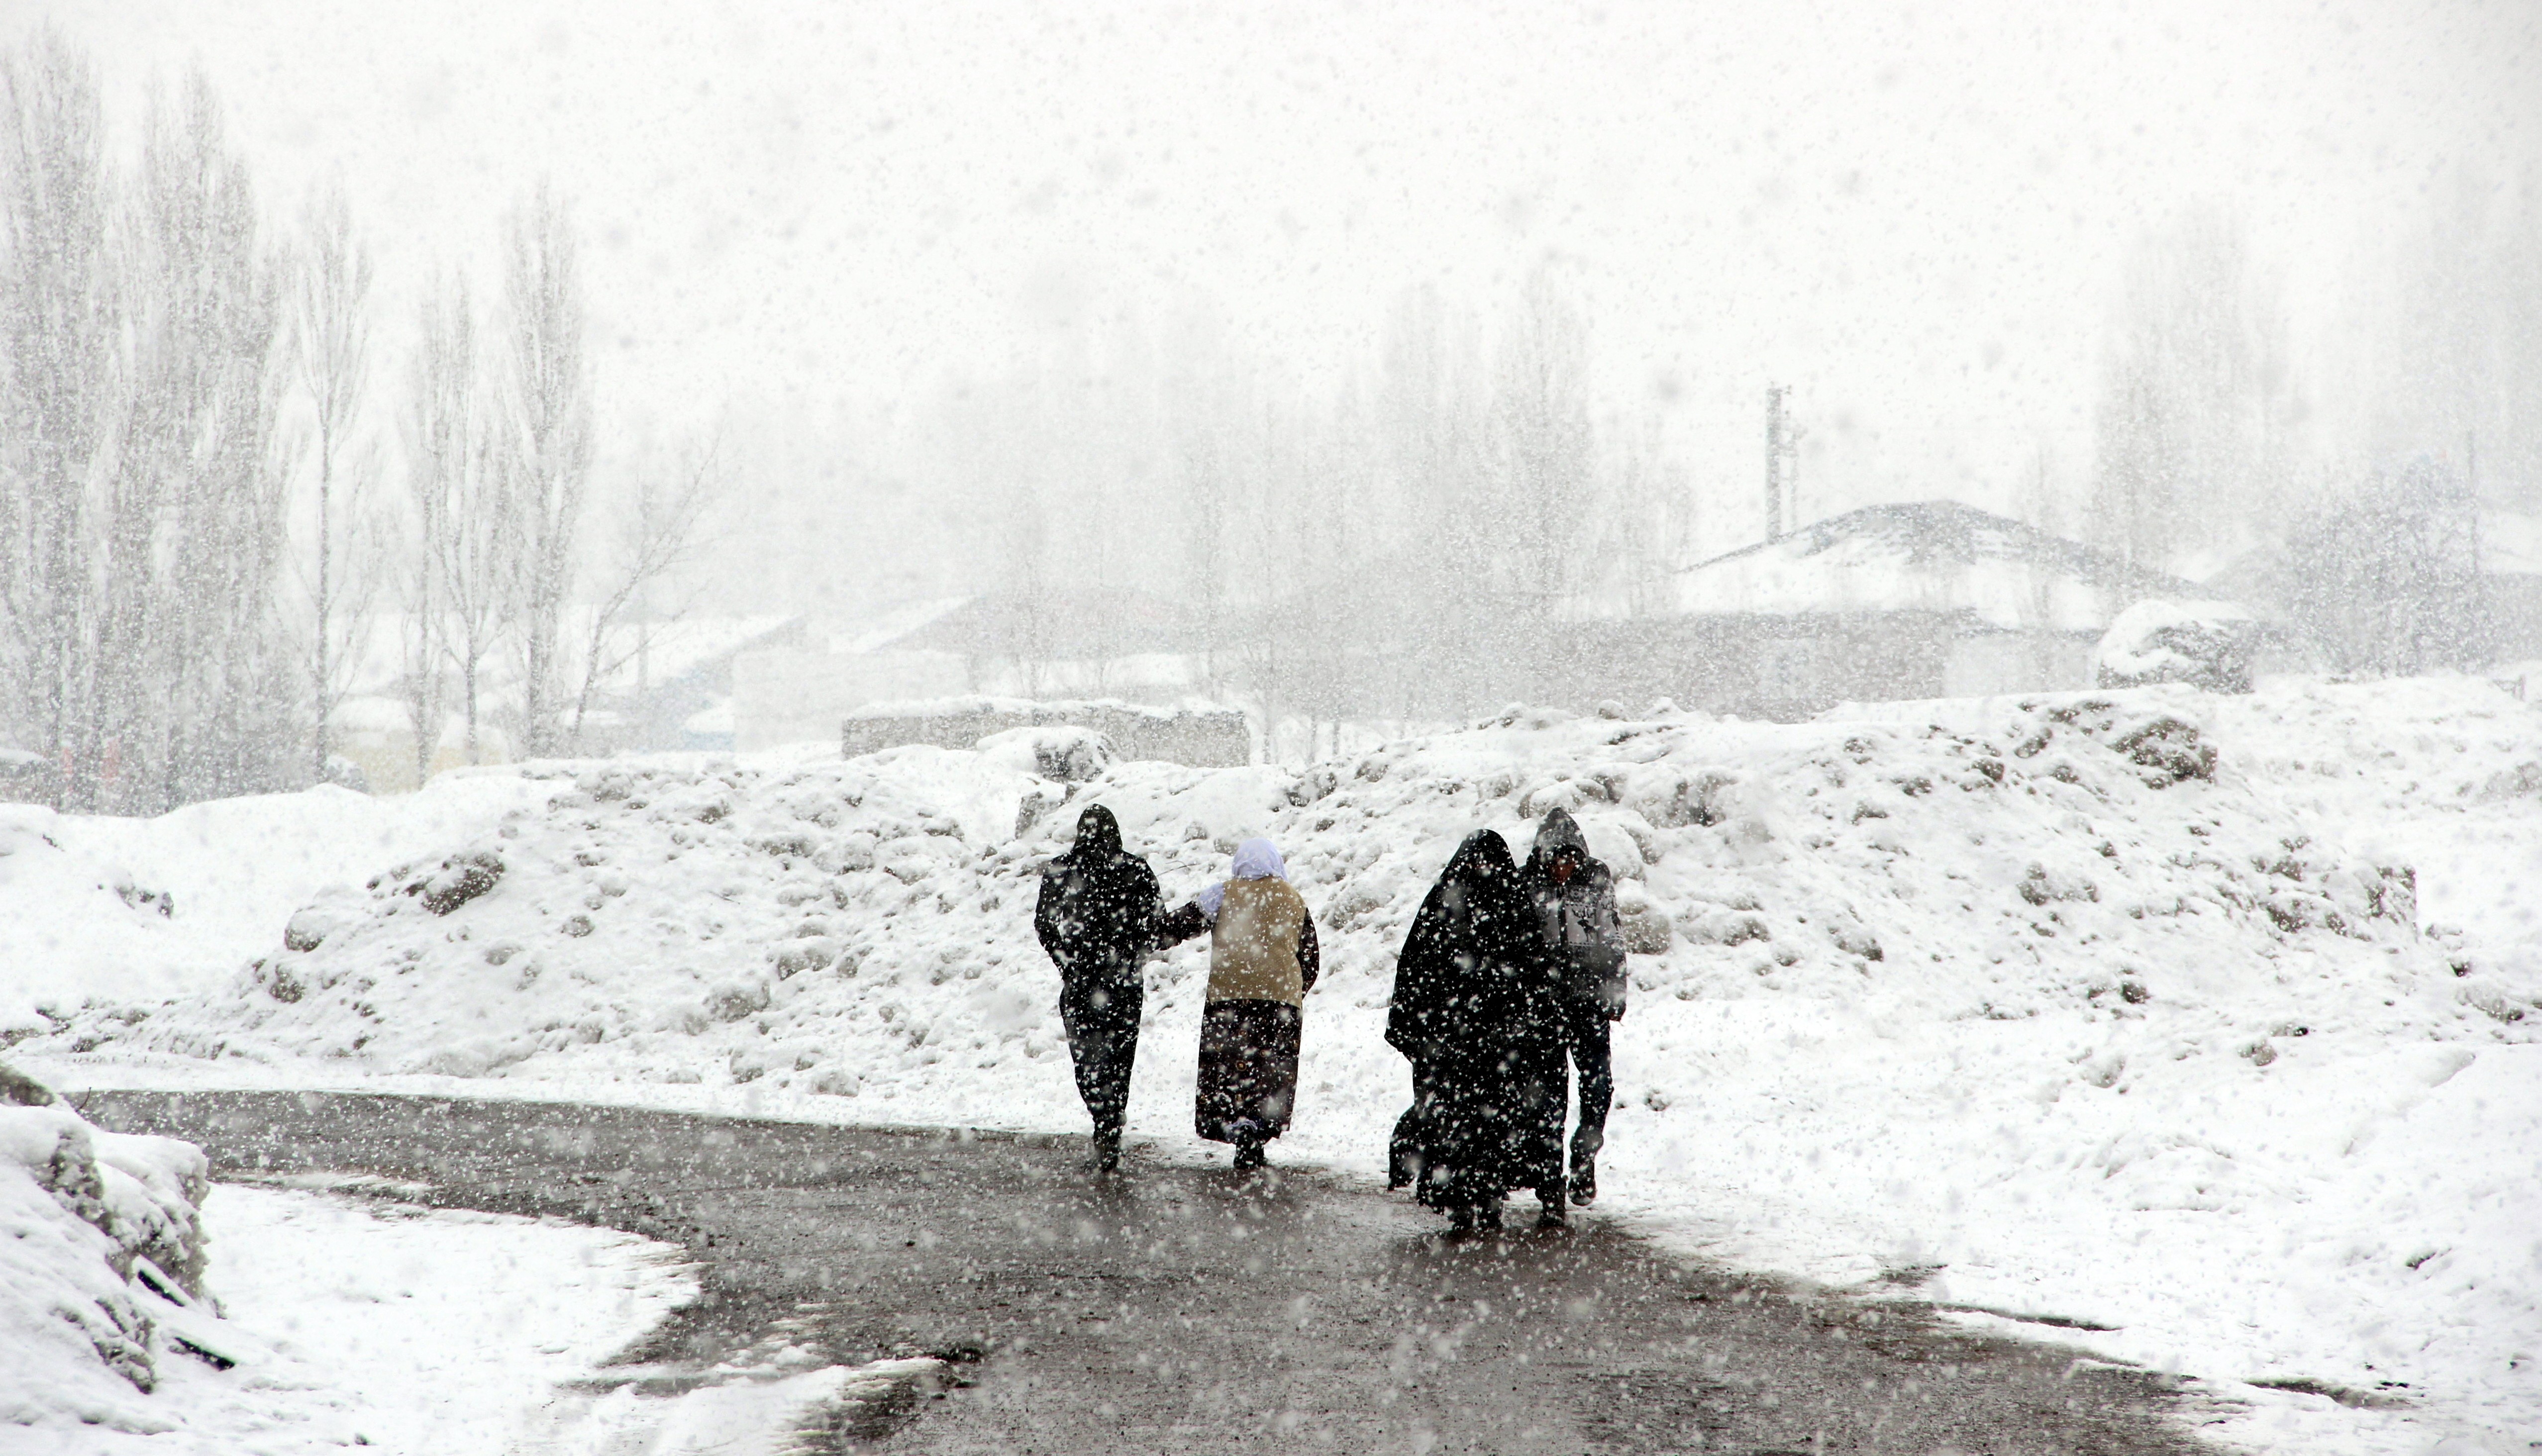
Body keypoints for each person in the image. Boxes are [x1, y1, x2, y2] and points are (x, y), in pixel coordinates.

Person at [1386, 829, 1569, 1232]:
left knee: (1455, 1124)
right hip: (1500, 1048)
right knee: (1495, 1124)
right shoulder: (1512, 901)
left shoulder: (1442, 902)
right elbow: (1535, 972)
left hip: (1452, 1047)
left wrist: (1419, 1027)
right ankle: (1489, 1200)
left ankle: (1458, 1203)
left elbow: (1415, 968)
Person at [1157, 838, 1318, 1173]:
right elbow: (1310, 959)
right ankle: (1258, 1132)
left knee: (1230, 1067)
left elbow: (1178, 926)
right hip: (1280, 1003)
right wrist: (1292, 990)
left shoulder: (1222, 893)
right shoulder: (1293, 899)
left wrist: (1149, 932)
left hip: (1229, 1000)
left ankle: (1235, 1123)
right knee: (1270, 1071)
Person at [1034, 805, 1163, 1173]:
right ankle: (1111, 1117)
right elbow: (1157, 922)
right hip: (1123, 983)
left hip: (1080, 982)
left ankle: (1101, 1116)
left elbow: (1044, 924)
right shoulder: (1136, 869)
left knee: (1087, 1059)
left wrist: (1067, 963)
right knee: (1120, 1058)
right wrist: (1135, 953)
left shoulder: (1061, 869)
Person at [1521, 807, 1627, 1206]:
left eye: (1569, 861)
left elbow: (1612, 937)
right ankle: (1551, 1188)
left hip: (1588, 1004)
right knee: (1549, 1097)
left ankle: (1584, 1156)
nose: (1562, 870)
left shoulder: (1595, 879)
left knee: (1598, 1086)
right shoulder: (1527, 882)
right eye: (1555, 861)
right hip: (1544, 1006)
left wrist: (1613, 995)